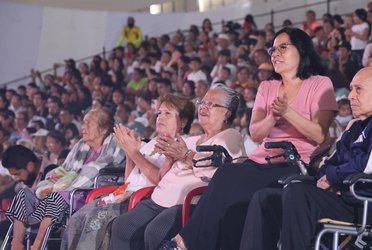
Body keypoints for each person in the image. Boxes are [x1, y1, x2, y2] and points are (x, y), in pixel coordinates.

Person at [163, 27, 338, 250]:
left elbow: (319, 134)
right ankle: (188, 242)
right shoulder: (268, 87)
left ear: (302, 50)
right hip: (261, 161)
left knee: (237, 186)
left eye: (283, 47)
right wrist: (273, 117)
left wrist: (288, 113)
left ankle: (184, 242)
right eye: (272, 49)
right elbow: (256, 133)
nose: (275, 54)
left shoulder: (320, 84)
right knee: (228, 175)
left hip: (296, 163)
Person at [239, 67, 372, 250]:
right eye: (351, 88)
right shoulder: (355, 125)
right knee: (265, 198)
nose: (350, 95)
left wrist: (333, 178)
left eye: (358, 89)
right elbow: (331, 161)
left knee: (298, 193)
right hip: (343, 196)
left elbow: (370, 164)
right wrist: (326, 178)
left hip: (367, 205)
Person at [110, 84, 246, 250]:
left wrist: (186, 156)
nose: (203, 107)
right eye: (202, 102)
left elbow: (227, 173)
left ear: (227, 113)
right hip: (158, 199)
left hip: (187, 204)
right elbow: (163, 176)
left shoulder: (229, 136)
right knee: (122, 226)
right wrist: (168, 159)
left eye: (211, 104)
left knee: (155, 232)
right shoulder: (190, 140)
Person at [62, 94, 196, 250]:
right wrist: (129, 153)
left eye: (168, 113)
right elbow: (129, 181)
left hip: (144, 200)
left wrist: (134, 153)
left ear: (184, 121)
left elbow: (162, 181)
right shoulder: (152, 142)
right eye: (159, 113)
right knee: (77, 219)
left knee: (95, 221)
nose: (160, 117)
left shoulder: (181, 146)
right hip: (125, 194)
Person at [5, 109, 125, 250]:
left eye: (88, 123)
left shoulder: (115, 144)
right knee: (24, 195)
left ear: (104, 128)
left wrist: (64, 183)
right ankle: (16, 244)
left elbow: (98, 172)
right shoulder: (80, 145)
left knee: (57, 197)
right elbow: (64, 169)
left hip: (86, 193)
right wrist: (54, 177)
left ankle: (37, 245)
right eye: (83, 123)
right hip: (63, 187)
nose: (83, 127)